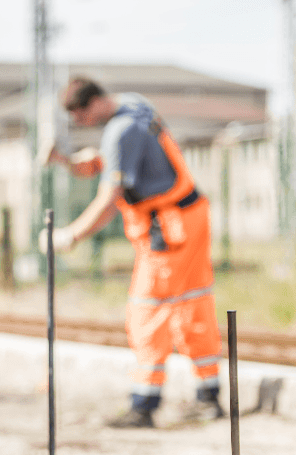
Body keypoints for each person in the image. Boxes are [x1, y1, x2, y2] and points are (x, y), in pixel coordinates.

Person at [43, 78, 223, 428]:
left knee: (147, 313)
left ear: (92, 104)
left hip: (167, 231)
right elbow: (144, 161)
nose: (80, 124)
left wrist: (70, 236)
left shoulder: (119, 132)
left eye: (79, 116)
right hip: (190, 217)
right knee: (193, 305)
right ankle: (209, 397)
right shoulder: (135, 104)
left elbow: (108, 201)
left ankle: (144, 405)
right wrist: (95, 163)